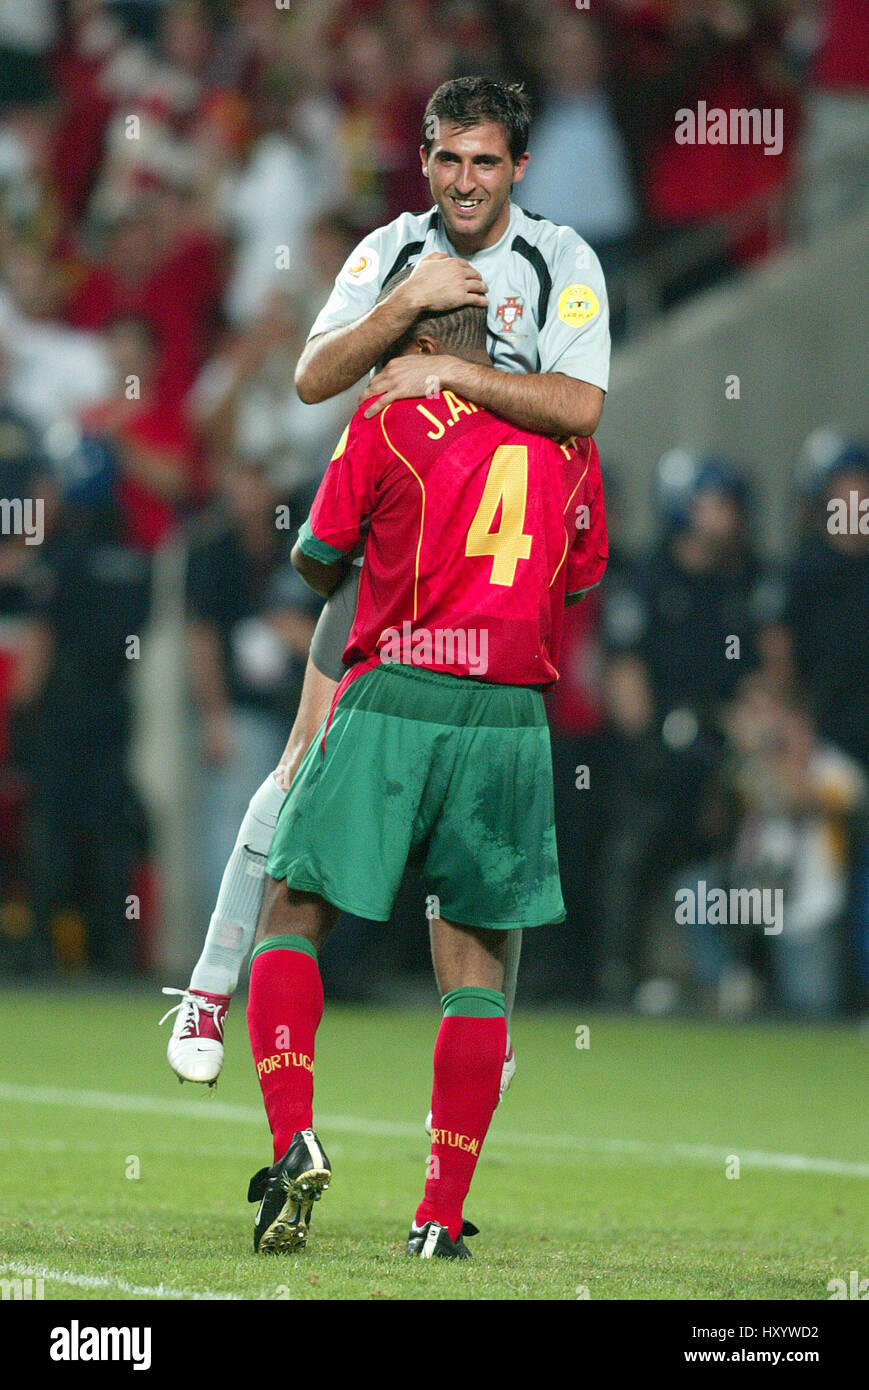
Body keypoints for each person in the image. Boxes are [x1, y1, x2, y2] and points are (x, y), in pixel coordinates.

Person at [162, 75, 610, 1105]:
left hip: (497, 561)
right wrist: (406, 305)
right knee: (302, 762)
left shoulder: (560, 260)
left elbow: (579, 404)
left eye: (484, 161)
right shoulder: (388, 252)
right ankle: (207, 986)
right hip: (390, 553)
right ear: (423, 158)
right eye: (447, 158)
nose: (463, 180)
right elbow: (314, 376)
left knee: (493, 819)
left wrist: (451, 377)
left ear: (519, 169)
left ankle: (483, 1028)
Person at [244, 282, 607, 1259]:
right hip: (509, 715)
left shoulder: (390, 413)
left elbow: (317, 561)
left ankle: (293, 1144)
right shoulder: (569, 443)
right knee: (475, 968)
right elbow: (576, 575)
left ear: (408, 346)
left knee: (289, 913)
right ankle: (438, 1218)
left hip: (398, 685)